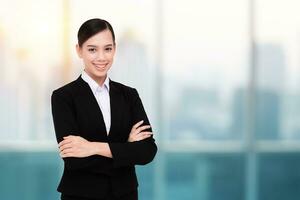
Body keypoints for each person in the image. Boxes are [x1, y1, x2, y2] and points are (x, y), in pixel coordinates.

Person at [51, 18, 157, 200]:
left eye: (107, 49)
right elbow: (74, 160)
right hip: (81, 196)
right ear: (79, 50)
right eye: (92, 49)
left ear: (114, 49)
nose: (101, 57)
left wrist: (92, 147)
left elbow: (147, 151)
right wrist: (126, 148)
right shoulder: (63, 97)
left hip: (125, 195)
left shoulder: (129, 95)